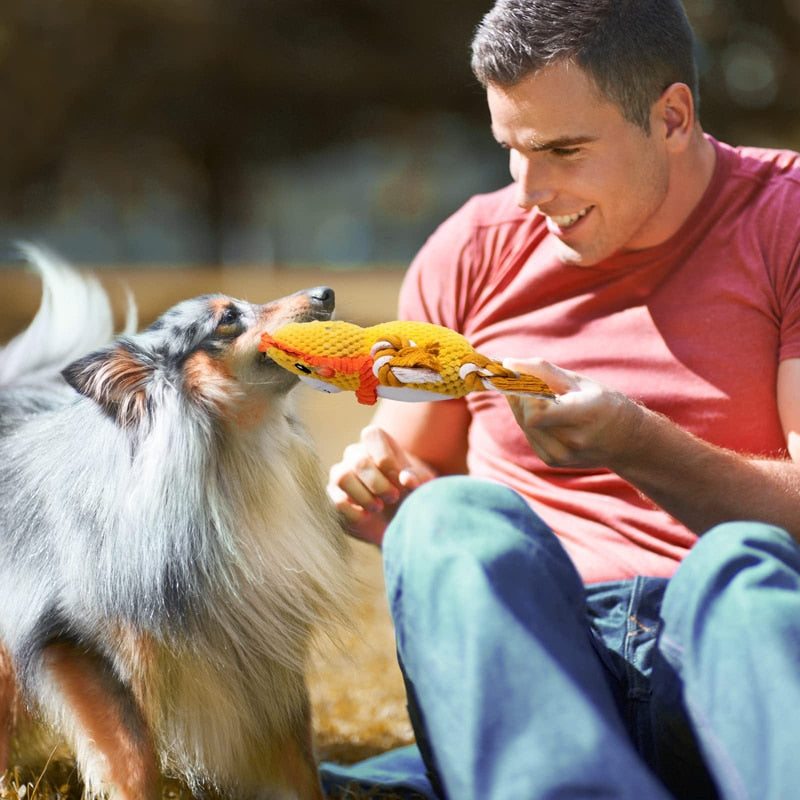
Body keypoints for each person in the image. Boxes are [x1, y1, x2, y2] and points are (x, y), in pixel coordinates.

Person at [323, 1, 800, 798]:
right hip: (536, 671)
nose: (529, 190)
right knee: (448, 517)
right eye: (511, 149)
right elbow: (411, 480)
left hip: (723, 666)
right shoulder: (469, 252)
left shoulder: (785, 222)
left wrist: (635, 441)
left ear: (672, 117)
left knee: (741, 568)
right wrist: (376, 493)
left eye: (564, 150)